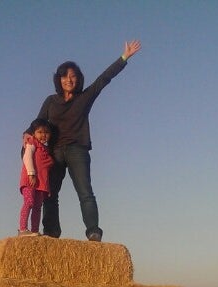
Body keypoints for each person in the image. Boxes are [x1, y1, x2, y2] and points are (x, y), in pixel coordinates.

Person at [33, 40, 141, 241]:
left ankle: (93, 231)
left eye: (73, 76)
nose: (69, 80)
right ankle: (51, 232)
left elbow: (104, 79)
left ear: (78, 79)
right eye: (65, 76)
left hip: (77, 150)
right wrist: (27, 134)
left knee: (85, 192)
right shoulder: (51, 101)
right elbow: (38, 123)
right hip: (54, 152)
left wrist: (124, 57)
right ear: (59, 80)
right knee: (49, 194)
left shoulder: (84, 97)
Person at [18, 118, 54, 236]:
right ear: (33, 133)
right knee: (29, 202)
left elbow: (45, 170)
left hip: (41, 183)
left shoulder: (46, 149)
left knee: (38, 206)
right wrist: (31, 174)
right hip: (29, 180)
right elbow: (27, 157)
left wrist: (47, 186)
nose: (43, 135)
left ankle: (34, 231)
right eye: (40, 132)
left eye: (46, 132)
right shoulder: (32, 142)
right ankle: (22, 229)